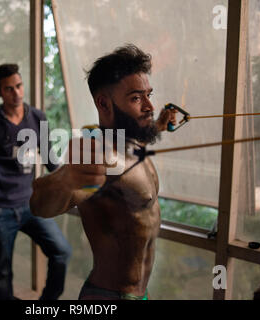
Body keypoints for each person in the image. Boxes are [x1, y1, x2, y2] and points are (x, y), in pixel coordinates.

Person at [30, 44, 176, 300]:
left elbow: (140, 140)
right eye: (136, 98)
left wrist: (160, 125)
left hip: (139, 294)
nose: (149, 106)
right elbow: (40, 205)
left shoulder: (130, 142)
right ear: (104, 103)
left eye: (148, 95)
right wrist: (66, 177)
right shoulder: (101, 156)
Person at [0, 63, 72, 300]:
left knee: (61, 252)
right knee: (2, 270)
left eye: (19, 86)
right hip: (0, 208)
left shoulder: (37, 117)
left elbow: (51, 160)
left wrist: (72, 183)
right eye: (9, 89)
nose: (16, 93)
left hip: (30, 205)